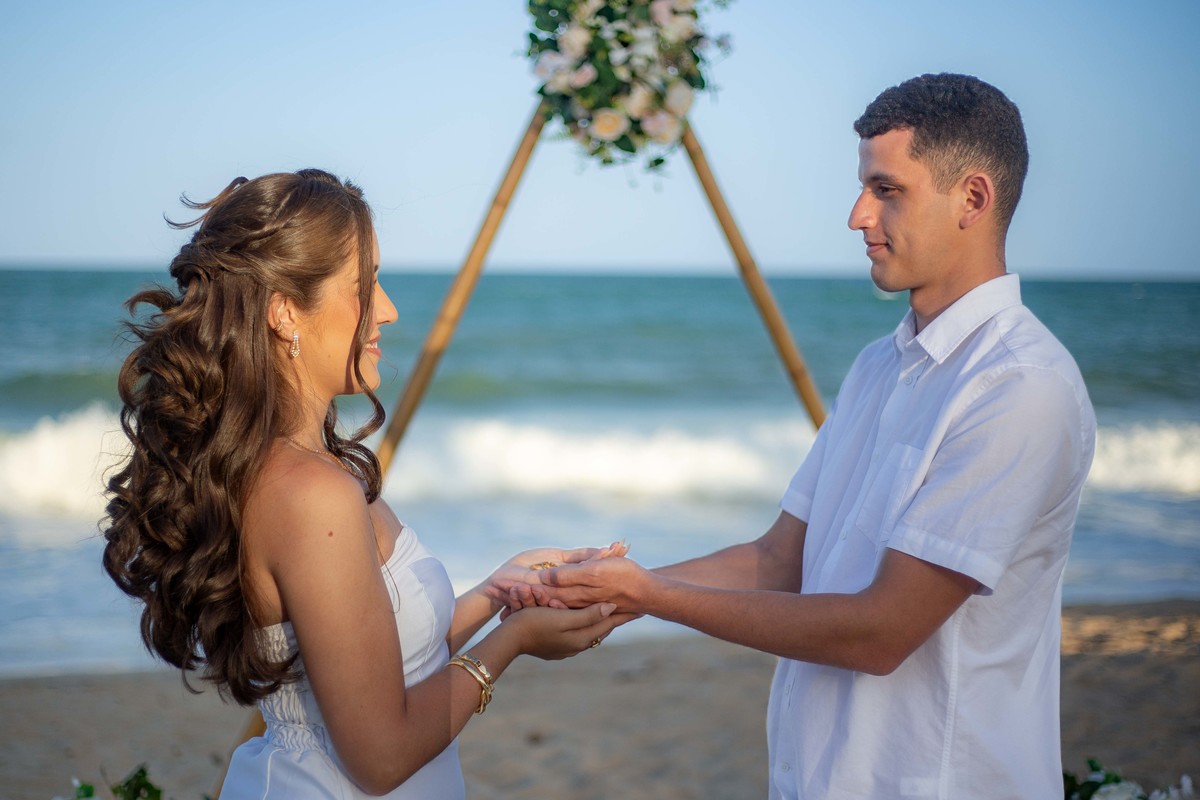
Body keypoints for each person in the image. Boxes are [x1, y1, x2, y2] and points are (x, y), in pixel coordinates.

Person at [518, 73, 1097, 798]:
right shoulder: (878, 366)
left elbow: (881, 633)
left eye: (888, 190)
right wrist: (619, 589)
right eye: (864, 187)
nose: (858, 216)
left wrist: (653, 599)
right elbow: (777, 559)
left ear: (972, 200)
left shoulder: (1020, 386)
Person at [102, 168, 629, 798]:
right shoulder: (307, 493)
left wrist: (500, 593)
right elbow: (380, 759)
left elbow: (376, 660)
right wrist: (511, 645)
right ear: (284, 312)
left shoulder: (310, 467)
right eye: (365, 286)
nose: (388, 310)